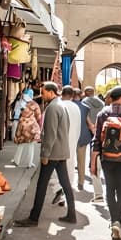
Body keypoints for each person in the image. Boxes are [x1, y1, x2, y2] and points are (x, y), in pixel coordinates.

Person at [14, 82, 76, 227]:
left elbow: (50, 134)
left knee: (41, 184)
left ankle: (34, 218)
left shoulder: (53, 107)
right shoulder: (60, 105)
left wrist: (45, 154)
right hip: (60, 151)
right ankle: (71, 214)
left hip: (53, 153)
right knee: (65, 184)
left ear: (50, 92)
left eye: (43, 92)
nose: (42, 95)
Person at [91, 85, 121, 240]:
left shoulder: (102, 114)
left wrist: (93, 162)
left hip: (107, 158)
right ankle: (118, 222)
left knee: (110, 190)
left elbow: (97, 139)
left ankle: (113, 221)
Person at [51, 86, 81, 205]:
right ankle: (65, 194)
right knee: (69, 168)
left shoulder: (58, 106)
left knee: (54, 169)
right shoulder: (76, 108)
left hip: (59, 142)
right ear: (73, 95)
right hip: (72, 142)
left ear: (61, 94)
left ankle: (59, 190)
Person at [12, 90, 41, 168]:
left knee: (21, 144)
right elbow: (39, 116)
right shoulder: (35, 104)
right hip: (31, 126)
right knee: (31, 145)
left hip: (22, 124)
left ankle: (16, 161)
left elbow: (16, 113)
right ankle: (29, 163)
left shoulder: (20, 103)